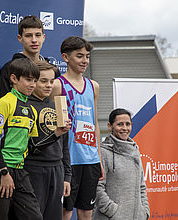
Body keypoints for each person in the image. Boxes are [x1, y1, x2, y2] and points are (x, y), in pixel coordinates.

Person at [50, 36, 104, 220]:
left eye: (87, 56)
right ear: (65, 57)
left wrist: (98, 156)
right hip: (68, 160)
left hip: (90, 159)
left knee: (86, 212)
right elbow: (53, 125)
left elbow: (94, 123)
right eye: (79, 56)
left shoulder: (93, 86)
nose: (85, 61)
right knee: (65, 211)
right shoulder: (57, 85)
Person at [0, 58, 42, 220]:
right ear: (14, 79)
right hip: (1, 168)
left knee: (34, 216)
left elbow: (33, 145)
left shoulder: (31, 109)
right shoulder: (5, 102)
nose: (32, 84)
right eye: (28, 80)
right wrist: (3, 171)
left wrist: (57, 133)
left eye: (35, 81)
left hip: (20, 170)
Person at [25, 61, 72, 220]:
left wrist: (67, 177)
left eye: (52, 81)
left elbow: (64, 146)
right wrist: (56, 133)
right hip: (34, 169)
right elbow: (30, 147)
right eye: (43, 81)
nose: (49, 85)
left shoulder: (57, 105)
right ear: (33, 81)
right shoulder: (24, 106)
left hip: (57, 170)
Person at [93, 108, 150, 220]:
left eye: (128, 124)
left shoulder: (135, 151)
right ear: (110, 126)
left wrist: (144, 211)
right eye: (120, 124)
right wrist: (113, 211)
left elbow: (141, 186)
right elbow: (97, 188)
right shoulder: (103, 152)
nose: (124, 128)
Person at [0, 15, 59, 99]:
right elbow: (3, 102)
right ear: (20, 38)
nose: (34, 40)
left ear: (43, 37)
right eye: (28, 35)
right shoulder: (8, 69)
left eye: (38, 35)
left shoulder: (52, 70)